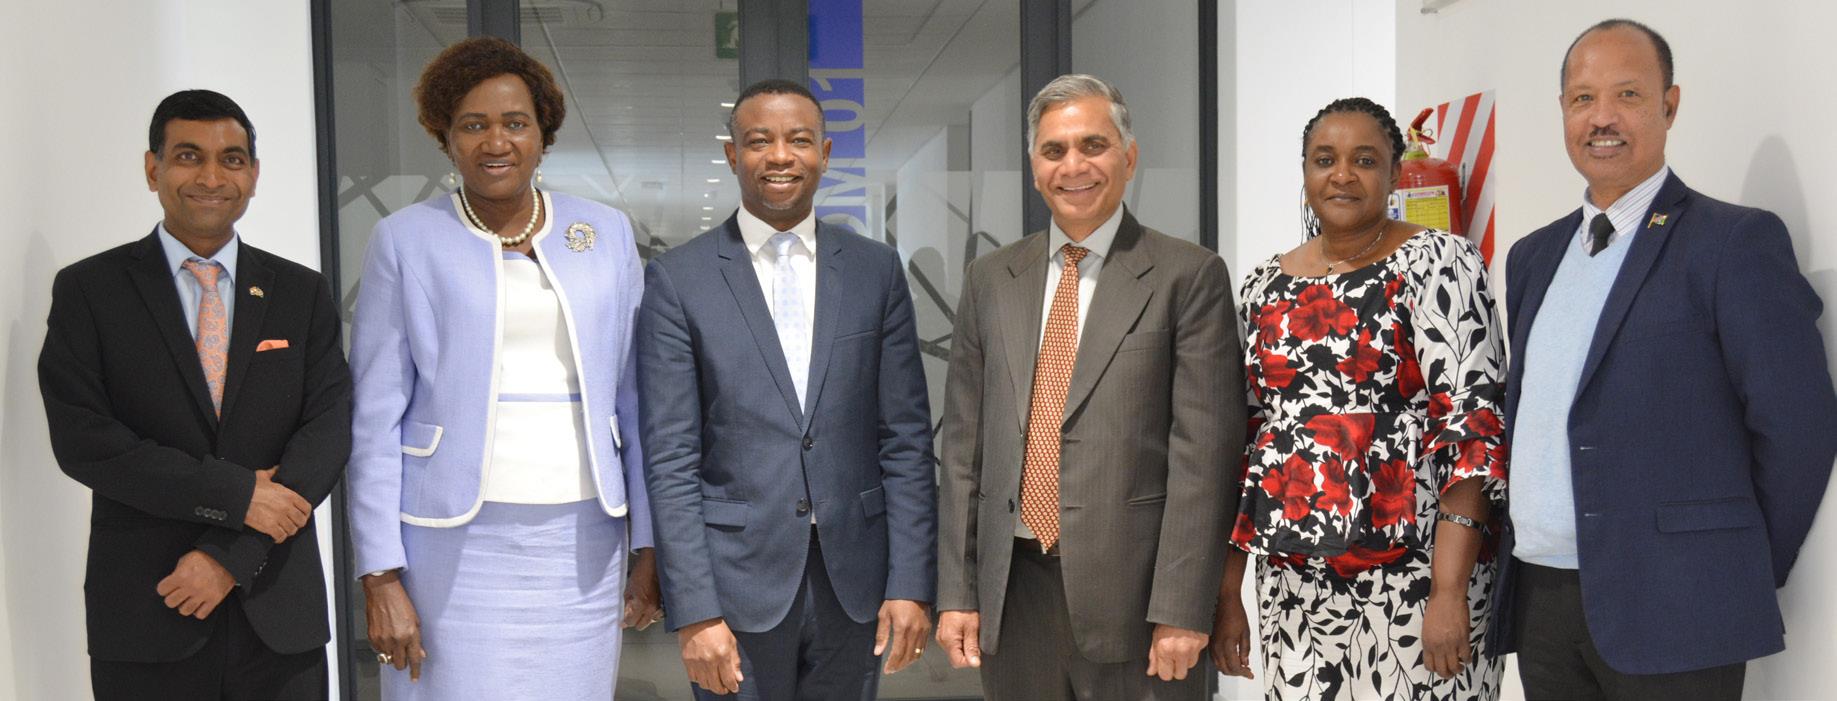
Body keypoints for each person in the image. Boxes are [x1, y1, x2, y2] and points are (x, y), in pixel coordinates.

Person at [1488, 19, 1837, 700]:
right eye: (1582, 99)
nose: (1602, 117)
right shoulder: (1532, 255)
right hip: (1543, 598)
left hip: (1678, 602)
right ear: (1562, 111)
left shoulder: (1731, 242)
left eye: (1627, 94)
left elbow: (1797, 426)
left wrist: (1732, 563)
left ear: (1668, 105)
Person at [345, 36, 659, 699]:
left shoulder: (601, 232)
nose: (496, 141)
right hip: (448, 540)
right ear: (445, 138)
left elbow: (637, 398)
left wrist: (651, 544)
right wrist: (379, 571)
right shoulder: (404, 239)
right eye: (473, 124)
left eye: (515, 123)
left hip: (583, 536)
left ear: (543, 134)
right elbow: (373, 416)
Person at [933, 73, 1242, 701]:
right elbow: (966, 448)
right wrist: (958, 593)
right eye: (1054, 151)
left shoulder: (1188, 275)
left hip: (1138, 605)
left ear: (1128, 158)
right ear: (1033, 167)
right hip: (1013, 595)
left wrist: (1183, 606)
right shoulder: (991, 279)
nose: (1074, 166)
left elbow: (1204, 457)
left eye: (1093, 146)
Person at [38, 89, 351, 700]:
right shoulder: (90, 291)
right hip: (149, 609)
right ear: (153, 168)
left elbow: (328, 431)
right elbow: (86, 442)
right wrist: (236, 496)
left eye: (232, 160)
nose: (212, 176)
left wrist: (229, 556)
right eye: (188, 156)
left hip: (278, 613)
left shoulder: (300, 293)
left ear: (254, 176)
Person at [637, 78, 936, 700]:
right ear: (732, 156)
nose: (779, 156)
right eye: (758, 141)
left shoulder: (874, 271)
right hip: (733, 592)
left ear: (824, 152)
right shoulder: (678, 279)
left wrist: (910, 582)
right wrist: (694, 610)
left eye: (798, 140)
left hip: (853, 586)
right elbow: (670, 458)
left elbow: (904, 440)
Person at [1211, 96, 1508, 700]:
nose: (1342, 175)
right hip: (1295, 587)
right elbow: (1242, 442)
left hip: (1419, 577)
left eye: (1364, 160)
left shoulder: (1438, 262)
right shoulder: (1263, 286)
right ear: (1304, 172)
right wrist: (1228, 594)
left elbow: (1471, 429)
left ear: (1395, 174)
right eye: (1325, 159)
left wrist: (1449, 592)